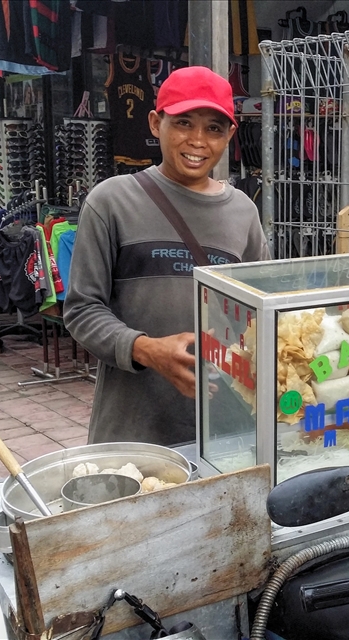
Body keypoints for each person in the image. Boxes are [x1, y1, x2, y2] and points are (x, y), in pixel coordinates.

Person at [64, 66, 270, 446]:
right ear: (156, 123)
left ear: (230, 135)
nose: (197, 141)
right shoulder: (112, 201)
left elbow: (255, 316)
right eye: (184, 123)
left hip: (223, 430)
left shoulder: (243, 212)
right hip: (133, 428)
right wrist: (146, 350)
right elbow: (81, 309)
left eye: (214, 128)